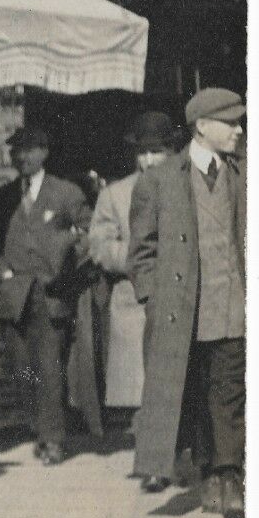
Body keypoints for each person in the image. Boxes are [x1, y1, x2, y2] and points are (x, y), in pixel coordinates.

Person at [130, 88, 245, 518]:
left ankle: (229, 476)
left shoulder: (243, 174)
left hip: (232, 301)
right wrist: (152, 299)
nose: (238, 130)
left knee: (229, 390)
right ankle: (208, 471)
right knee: (193, 390)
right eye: (229, 122)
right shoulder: (159, 181)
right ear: (202, 127)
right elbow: (141, 252)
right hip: (184, 309)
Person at [0, 126, 91, 465]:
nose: (22, 157)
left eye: (29, 150)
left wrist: (65, 263)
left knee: (49, 367)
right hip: (15, 296)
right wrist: (5, 276)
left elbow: (89, 235)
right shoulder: (2, 198)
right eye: (16, 151)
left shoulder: (66, 193)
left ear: (44, 152)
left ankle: (53, 437)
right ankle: (38, 425)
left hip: (50, 295)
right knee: (23, 368)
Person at [90, 110, 176, 493]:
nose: (147, 160)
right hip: (133, 298)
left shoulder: (184, 186)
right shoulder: (116, 194)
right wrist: (138, 258)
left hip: (177, 296)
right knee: (145, 387)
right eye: (141, 153)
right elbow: (99, 244)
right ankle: (154, 460)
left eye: (156, 152)